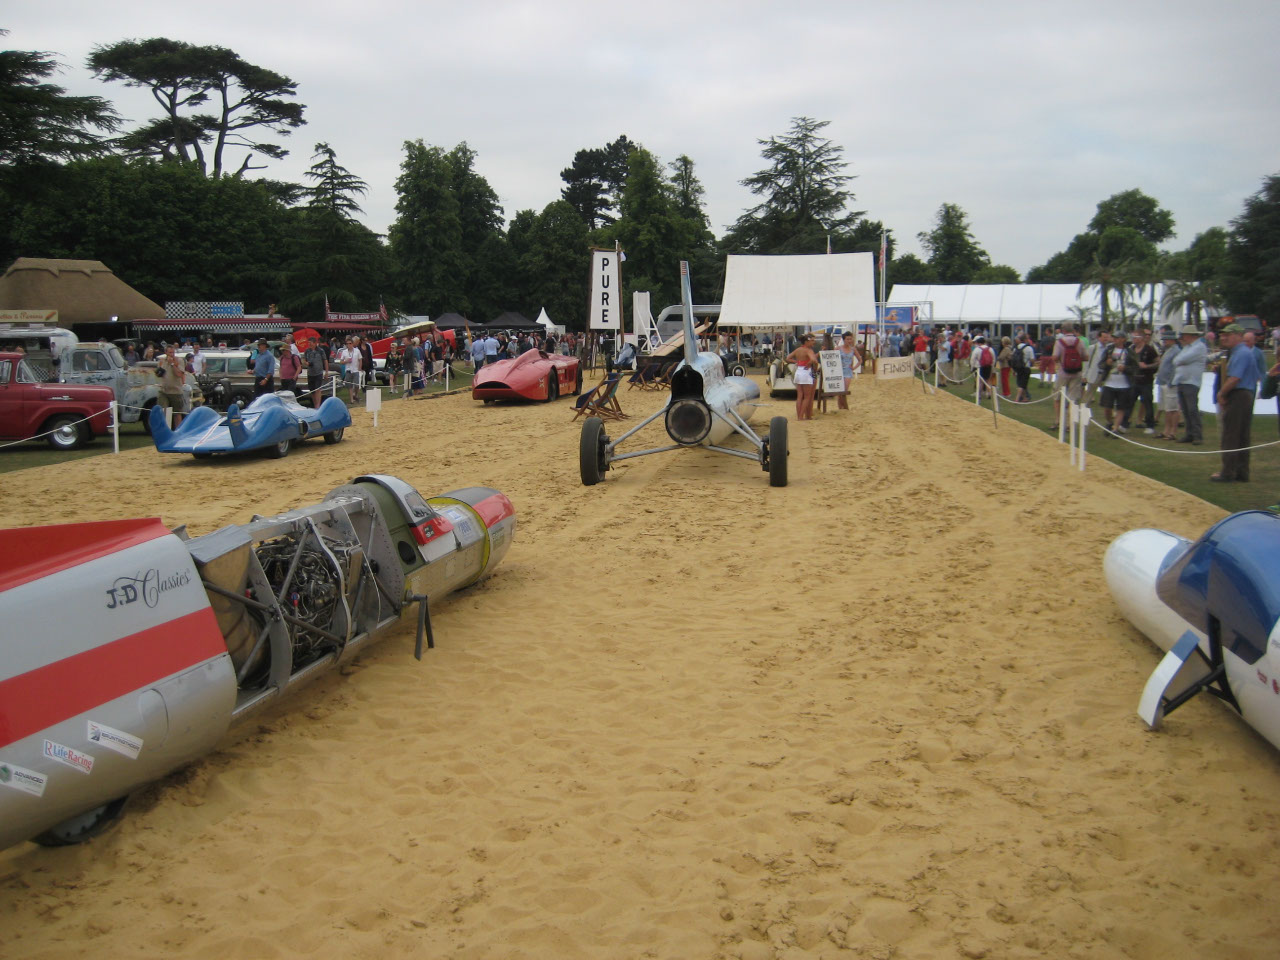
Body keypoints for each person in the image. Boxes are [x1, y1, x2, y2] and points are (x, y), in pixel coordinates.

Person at [1212, 323, 1260, 482]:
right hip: (1245, 394)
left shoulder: (1241, 353)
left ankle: (1228, 472)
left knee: (1231, 434)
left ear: (1239, 336)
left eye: (1228, 335)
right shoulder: (1241, 352)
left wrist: (1221, 393)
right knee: (1242, 435)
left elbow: (1235, 378)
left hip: (1239, 394)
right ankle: (1241, 471)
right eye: (1222, 335)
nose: (1224, 337)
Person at [1172, 326, 1207, 444]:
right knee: (1186, 410)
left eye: (1185, 334)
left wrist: (1180, 361)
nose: (1183, 337)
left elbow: (1181, 360)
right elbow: (1176, 359)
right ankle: (1189, 434)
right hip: (1182, 381)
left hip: (1191, 382)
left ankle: (1197, 435)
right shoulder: (1187, 347)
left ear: (1192, 335)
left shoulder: (1199, 347)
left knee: (1192, 409)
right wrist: (1180, 361)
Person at [1099, 330, 1134, 433]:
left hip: (1124, 384)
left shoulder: (1129, 352)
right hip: (1109, 382)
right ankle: (1110, 422)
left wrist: (1125, 368)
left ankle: (1115, 428)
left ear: (1123, 339)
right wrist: (1107, 363)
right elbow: (1100, 364)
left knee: (1121, 407)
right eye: (1114, 338)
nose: (1115, 340)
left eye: (1117, 338)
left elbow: (1135, 368)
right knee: (1107, 407)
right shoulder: (1109, 350)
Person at [1052, 322, 1087, 418]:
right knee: (1073, 399)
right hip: (1076, 372)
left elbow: (1055, 357)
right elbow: (1086, 357)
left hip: (1063, 372)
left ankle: (1058, 420)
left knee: (1057, 397)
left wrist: (1061, 360)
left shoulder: (1059, 342)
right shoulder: (1080, 342)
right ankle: (1069, 423)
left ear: (1063, 330)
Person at [1153, 329, 1182, 440]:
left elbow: (1175, 368)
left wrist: (1171, 382)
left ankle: (1172, 432)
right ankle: (1166, 430)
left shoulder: (1176, 351)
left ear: (1171, 340)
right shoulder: (1168, 350)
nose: (1164, 342)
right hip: (1164, 382)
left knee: (1173, 409)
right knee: (1167, 409)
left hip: (1171, 383)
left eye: (1165, 340)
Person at [1130, 330, 1159, 434]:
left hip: (1146, 380)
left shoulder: (1150, 349)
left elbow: (1157, 362)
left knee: (1147, 403)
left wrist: (1147, 366)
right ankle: (1124, 423)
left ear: (1140, 338)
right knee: (1129, 402)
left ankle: (1150, 425)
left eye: (1135, 337)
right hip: (1134, 380)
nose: (1133, 339)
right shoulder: (1132, 349)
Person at [785, 334, 819, 421]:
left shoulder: (798, 350)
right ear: (806, 341)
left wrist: (797, 361)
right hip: (806, 372)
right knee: (807, 397)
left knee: (800, 396)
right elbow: (813, 360)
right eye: (812, 341)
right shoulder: (808, 350)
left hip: (799, 371)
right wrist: (809, 363)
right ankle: (801, 417)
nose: (813, 342)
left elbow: (787, 358)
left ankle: (799, 416)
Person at [156, 344, 188, 428]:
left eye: (173, 352)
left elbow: (179, 374)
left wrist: (173, 364)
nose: (172, 354)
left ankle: (178, 430)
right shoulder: (162, 361)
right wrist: (159, 370)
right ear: (166, 352)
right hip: (164, 390)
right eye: (170, 352)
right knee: (163, 410)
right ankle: (164, 428)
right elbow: (159, 374)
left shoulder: (179, 361)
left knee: (177, 413)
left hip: (175, 391)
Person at [302, 337, 329, 409]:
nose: (309, 344)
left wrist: (326, 371)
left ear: (314, 343)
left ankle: (318, 405)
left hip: (318, 372)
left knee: (318, 389)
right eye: (308, 343)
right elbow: (304, 359)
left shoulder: (320, 350)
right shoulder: (307, 351)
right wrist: (306, 363)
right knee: (312, 390)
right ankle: (315, 404)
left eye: (310, 343)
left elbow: (325, 360)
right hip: (310, 373)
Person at [1012, 334, 1035, 402]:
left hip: (1018, 367)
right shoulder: (1029, 348)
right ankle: (1017, 398)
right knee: (1022, 384)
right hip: (1025, 367)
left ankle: (1025, 397)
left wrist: (1014, 370)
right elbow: (1032, 359)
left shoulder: (1016, 348)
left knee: (1021, 383)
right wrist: (1031, 364)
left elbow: (1013, 359)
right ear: (1025, 340)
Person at [837, 332, 856, 409]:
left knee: (844, 390)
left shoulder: (853, 349)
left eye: (850, 339)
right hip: (840, 370)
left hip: (848, 371)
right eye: (847, 339)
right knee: (840, 392)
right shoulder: (838, 348)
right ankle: (841, 407)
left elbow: (860, 360)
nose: (849, 341)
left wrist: (854, 367)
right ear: (844, 339)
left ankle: (845, 407)